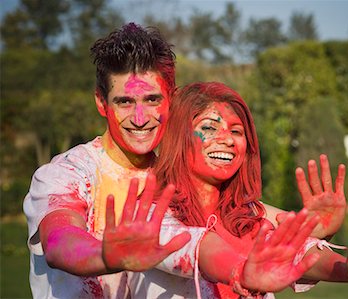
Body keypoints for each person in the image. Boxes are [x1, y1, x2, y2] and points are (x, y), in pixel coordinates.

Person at [22, 22, 332, 299]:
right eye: (125, 102)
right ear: (102, 103)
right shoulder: (70, 173)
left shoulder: (179, 173)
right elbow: (60, 241)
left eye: (152, 100)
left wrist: (322, 228)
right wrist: (106, 256)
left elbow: (256, 217)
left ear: (171, 99)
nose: (140, 119)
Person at [128, 82, 348, 298]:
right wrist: (242, 271)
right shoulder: (152, 215)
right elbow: (197, 246)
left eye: (237, 131)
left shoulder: (250, 214)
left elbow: (298, 252)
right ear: (179, 138)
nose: (228, 140)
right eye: (210, 127)